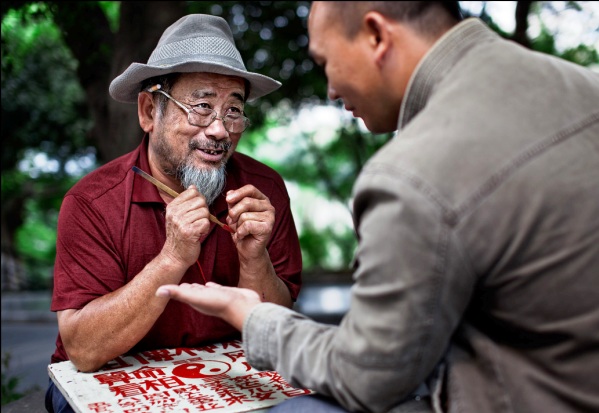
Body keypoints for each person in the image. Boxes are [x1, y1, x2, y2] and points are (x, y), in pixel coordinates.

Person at [156, 2, 599, 412]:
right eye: (201, 107)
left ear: (376, 37)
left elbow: (367, 375)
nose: (331, 90)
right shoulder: (582, 84)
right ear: (149, 112)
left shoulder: (415, 172)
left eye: (327, 61)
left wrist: (251, 317)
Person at [45, 14, 303, 413]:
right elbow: (83, 349)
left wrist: (255, 259)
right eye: (201, 106)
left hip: (221, 375)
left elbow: (275, 334)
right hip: (108, 378)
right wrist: (172, 257)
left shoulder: (262, 190)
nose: (219, 130)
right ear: (149, 111)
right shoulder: (92, 202)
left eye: (233, 110)